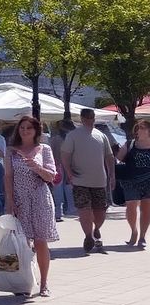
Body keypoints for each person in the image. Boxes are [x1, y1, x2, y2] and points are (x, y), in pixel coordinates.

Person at [4, 116, 59, 297]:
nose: (25, 131)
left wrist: (36, 166)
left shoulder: (44, 149)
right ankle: (20, 282)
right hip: (20, 200)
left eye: (29, 128)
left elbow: (51, 176)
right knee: (19, 244)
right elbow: (8, 177)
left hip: (40, 198)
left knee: (40, 241)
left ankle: (44, 284)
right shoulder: (11, 151)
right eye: (22, 128)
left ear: (36, 131)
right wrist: (10, 201)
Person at [62, 108, 117, 254]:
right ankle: (88, 236)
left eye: (91, 117)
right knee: (84, 210)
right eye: (86, 117)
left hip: (100, 180)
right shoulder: (73, 136)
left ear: (94, 118)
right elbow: (65, 155)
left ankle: (96, 229)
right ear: (81, 118)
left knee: (100, 211)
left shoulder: (101, 136)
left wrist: (112, 175)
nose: (89, 119)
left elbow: (109, 157)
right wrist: (69, 173)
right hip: (80, 180)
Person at [116, 119, 150, 248]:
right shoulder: (130, 144)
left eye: (142, 127)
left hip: (148, 182)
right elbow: (118, 158)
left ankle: (142, 237)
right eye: (137, 127)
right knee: (131, 207)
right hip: (130, 181)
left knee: (146, 210)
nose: (138, 130)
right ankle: (134, 231)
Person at [48, 120, 76, 222]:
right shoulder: (71, 139)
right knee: (69, 187)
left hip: (57, 165)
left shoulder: (55, 139)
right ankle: (71, 208)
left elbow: (52, 153)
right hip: (69, 165)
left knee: (57, 189)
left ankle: (58, 212)